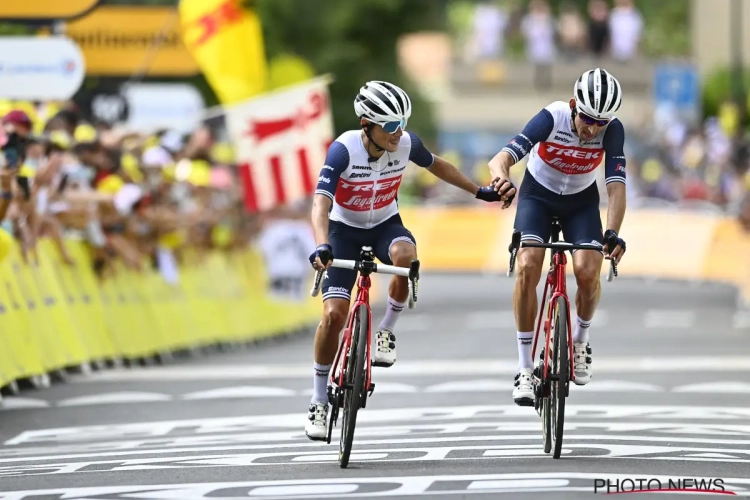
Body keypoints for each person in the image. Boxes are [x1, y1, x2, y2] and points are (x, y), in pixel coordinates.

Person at [306, 80, 504, 440]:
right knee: (334, 314)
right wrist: (322, 246)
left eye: (403, 123)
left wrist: (479, 191)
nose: (399, 133)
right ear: (367, 124)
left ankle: (385, 331)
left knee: (405, 257)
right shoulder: (343, 150)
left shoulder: (406, 144)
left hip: (385, 225)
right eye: (391, 126)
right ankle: (319, 399)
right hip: (343, 232)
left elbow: (438, 166)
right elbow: (320, 202)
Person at [487, 68, 628, 406]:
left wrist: (612, 232)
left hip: (580, 202)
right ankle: (523, 366)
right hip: (538, 195)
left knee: (589, 270)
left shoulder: (612, 130)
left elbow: (616, 185)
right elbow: (500, 160)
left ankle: (579, 339)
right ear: (573, 105)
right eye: (587, 118)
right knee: (528, 264)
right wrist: (501, 179)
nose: (592, 128)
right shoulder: (552, 117)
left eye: (600, 122)